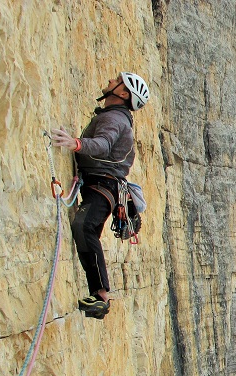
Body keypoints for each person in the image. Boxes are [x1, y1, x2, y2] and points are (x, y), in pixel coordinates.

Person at [51, 72, 150, 319]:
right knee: (87, 229)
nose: (108, 81)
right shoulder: (117, 117)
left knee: (84, 225)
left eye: (115, 81)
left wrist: (76, 144)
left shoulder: (115, 118)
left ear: (124, 94)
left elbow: (103, 145)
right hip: (104, 186)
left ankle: (101, 295)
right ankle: (99, 294)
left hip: (103, 185)